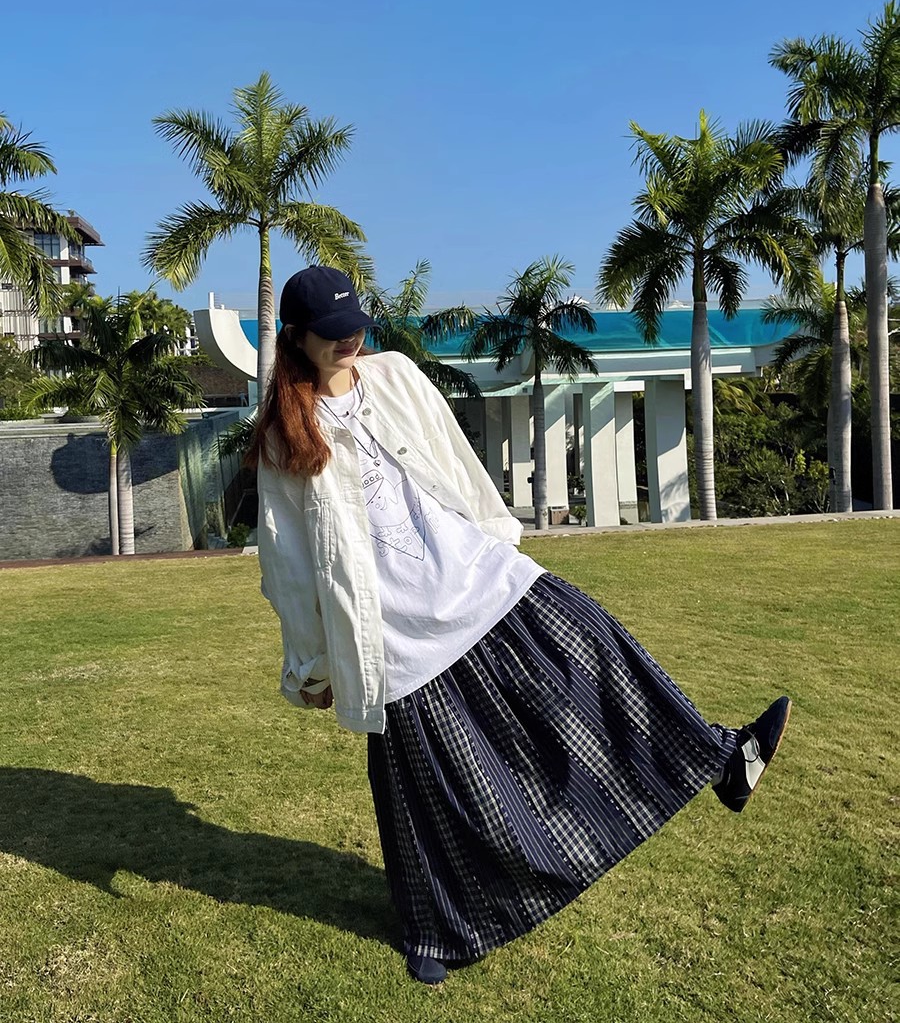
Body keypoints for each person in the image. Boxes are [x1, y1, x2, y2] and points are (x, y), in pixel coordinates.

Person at [250, 265, 791, 986]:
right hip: (393, 625)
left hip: (473, 573)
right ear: (295, 337)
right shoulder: (281, 436)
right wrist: (312, 666)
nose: (350, 342)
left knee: (593, 645)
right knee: (435, 790)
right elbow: (288, 564)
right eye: (332, 334)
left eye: (356, 328)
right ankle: (438, 932)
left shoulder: (396, 376)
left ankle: (722, 759)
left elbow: (454, 456)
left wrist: (501, 540)